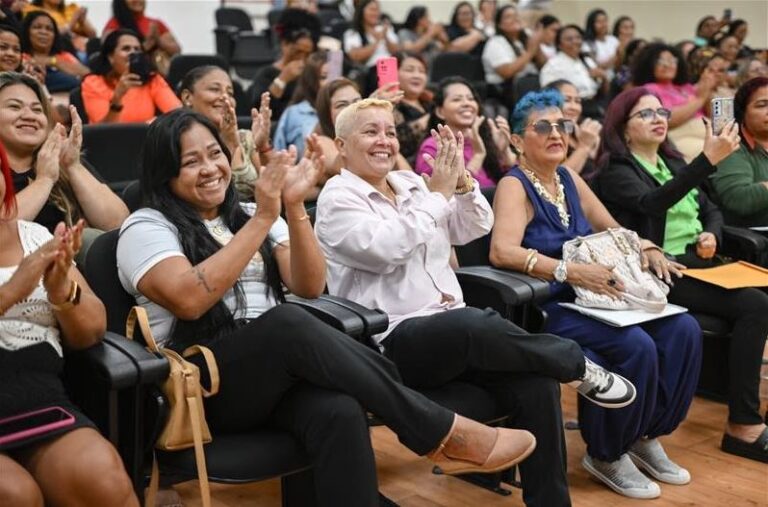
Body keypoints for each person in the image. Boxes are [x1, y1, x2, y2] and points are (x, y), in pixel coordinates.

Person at [116, 108, 539, 507]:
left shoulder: (247, 212)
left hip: (274, 375)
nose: (210, 168)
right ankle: (437, 431)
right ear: (165, 172)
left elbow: (309, 284)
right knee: (286, 321)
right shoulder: (147, 225)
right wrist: (264, 218)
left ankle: (428, 435)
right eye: (192, 161)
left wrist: (295, 207)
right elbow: (189, 300)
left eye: (215, 154)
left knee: (337, 410)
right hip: (206, 385)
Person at [315, 96, 637, 507]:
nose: (384, 141)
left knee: (536, 385)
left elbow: (473, 228)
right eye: (370, 131)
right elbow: (386, 249)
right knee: (471, 322)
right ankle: (572, 363)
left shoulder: (412, 183)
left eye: (391, 131)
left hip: (454, 335)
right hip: (392, 342)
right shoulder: (337, 198)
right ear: (341, 145)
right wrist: (438, 195)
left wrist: (463, 184)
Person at [490, 89, 703, 499]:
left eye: (561, 126)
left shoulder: (568, 177)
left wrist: (645, 245)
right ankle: (606, 453)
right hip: (553, 303)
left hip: (600, 298)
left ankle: (644, 434)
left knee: (684, 330)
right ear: (517, 139)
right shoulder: (513, 186)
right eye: (543, 127)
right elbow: (503, 250)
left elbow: (611, 228)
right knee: (636, 347)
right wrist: (570, 270)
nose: (556, 133)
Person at [592, 86, 768, 464]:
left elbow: (711, 208)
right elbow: (652, 203)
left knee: (760, 293)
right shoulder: (617, 170)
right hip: (659, 270)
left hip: (699, 260)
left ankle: (746, 413)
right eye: (646, 114)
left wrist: (712, 233)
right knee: (755, 304)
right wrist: (705, 160)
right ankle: (742, 426)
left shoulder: (670, 162)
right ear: (623, 128)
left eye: (662, 113)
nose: (658, 119)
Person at [0, 142, 138, 507]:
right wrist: (11, 291)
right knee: (15, 495)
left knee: (102, 476)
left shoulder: (35, 237)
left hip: (39, 402)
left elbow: (91, 331)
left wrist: (61, 292)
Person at [0, 72, 128, 256]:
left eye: (37, 110)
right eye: (14, 107)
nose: (30, 116)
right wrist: (44, 180)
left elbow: (117, 225)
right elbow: (3, 233)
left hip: (71, 268)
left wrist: (72, 165)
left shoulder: (64, 161)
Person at [178, 65, 272, 202]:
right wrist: (229, 145)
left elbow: (272, 188)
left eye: (230, 93)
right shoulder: (175, 139)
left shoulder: (245, 137)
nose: (225, 97)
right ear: (187, 97)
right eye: (214, 89)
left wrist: (263, 147)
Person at [415, 77, 515, 188]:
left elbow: (513, 186)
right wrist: (478, 156)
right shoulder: (433, 147)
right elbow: (440, 193)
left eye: (471, 99)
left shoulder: (486, 140)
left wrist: (504, 152)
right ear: (440, 111)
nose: (467, 103)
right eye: (457, 99)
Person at [632, 43, 716, 162]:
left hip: (708, 134)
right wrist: (700, 99)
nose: (668, 65)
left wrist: (708, 89)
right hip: (680, 138)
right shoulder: (649, 89)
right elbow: (667, 118)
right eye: (661, 61)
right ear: (649, 64)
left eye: (672, 61)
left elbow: (711, 114)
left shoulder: (686, 87)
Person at [81, 28, 180, 124]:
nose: (133, 53)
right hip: (111, 140)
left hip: (145, 138)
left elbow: (178, 114)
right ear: (110, 57)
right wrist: (117, 99)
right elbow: (102, 132)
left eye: (137, 49)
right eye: (126, 48)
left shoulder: (152, 80)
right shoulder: (93, 83)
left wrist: (158, 123)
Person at [712, 77, 768, 229]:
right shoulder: (730, 147)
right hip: (754, 239)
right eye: (762, 105)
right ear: (742, 113)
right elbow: (738, 199)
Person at [252, 8, 319, 120]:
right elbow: (259, 110)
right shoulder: (267, 74)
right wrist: (282, 79)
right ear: (284, 44)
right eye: (297, 51)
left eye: (307, 54)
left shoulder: (313, 73)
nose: (302, 58)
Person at [540, 24, 606, 118]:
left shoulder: (587, 61)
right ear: (559, 45)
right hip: (571, 110)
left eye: (578, 38)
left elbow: (601, 90)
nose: (575, 41)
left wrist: (604, 77)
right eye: (569, 39)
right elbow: (548, 97)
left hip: (595, 104)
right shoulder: (552, 66)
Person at [481, 4, 541, 108]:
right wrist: (530, 52)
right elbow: (506, 72)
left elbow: (544, 64)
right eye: (509, 16)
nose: (515, 18)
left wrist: (537, 40)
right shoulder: (495, 42)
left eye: (516, 15)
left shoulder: (524, 39)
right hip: (505, 92)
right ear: (500, 24)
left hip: (530, 86)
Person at [102, 0, 181, 75]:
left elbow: (176, 50)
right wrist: (146, 46)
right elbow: (107, 54)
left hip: (157, 73)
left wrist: (157, 40)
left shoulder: (155, 23)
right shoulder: (113, 24)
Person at [273, 50, 326, 158]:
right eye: (323, 77)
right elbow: (278, 153)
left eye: (335, 76)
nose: (331, 82)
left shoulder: (351, 109)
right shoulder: (293, 113)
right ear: (312, 81)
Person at [545, 79, 601, 180]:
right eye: (567, 100)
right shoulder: (545, 136)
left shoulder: (582, 132)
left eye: (577, 101)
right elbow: (556, 179)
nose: (574, 107)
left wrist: (596, 148)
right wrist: (584, 147)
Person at [20, 11, 87, 93]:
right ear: (27, 31)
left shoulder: (64, 56)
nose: (44, 32)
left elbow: (86, 73)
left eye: (49, 29)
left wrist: (54, 61)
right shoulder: (20, 56)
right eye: (37, 27)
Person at [392, 51, 431, 162]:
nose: (417, 75)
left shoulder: (431, 102)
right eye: (409, 70)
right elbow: (401, 142)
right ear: (394, 73)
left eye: (422, 71)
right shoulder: (391, 106)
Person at [23, 0, 96, 58]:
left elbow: (93, 35)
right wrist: (72, 22)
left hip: (82, 51)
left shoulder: (70, 9)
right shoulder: (31, 9)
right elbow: (55, 33)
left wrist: (82, 20)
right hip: (56, 51)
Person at [343, 0, 399, 68]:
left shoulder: (385, 29)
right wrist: (377, 41)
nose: (375, 13)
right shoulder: (353, 33)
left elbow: (397, 51)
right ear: (362, 12)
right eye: (372, 10)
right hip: (371, 69)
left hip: (392, 66)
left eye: (377, 10)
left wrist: (385, 37)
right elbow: (356, 56)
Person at [582, 9, 619, 73]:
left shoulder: (613, 39)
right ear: (591, 24)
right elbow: (595, 66)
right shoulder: (587, 44)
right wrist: (617, 56)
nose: (603, 25)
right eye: (599, 22)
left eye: (605, 21)